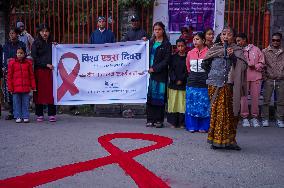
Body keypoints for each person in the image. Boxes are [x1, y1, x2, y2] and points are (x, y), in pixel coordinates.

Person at [201, 27, 247, 150]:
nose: (226, 36)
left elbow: (242, 67)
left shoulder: (237, 51)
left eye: (229, 34)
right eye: (223, 34)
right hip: (214, 84)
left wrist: (232, 57)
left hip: (230, 87)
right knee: (218, 112)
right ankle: (216, 140)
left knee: (230, 114)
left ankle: (230, 141)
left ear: (234, 37)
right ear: (220, 36)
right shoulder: (214, 49)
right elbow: (204, 64)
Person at [236, 33, 265, 127]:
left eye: (239, 40)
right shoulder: (238, 51)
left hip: (256, 77)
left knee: (255, 98)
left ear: (244, 40)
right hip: (243, 77)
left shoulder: (256, 49)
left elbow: (262, 62)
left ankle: (254, 117)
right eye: (237, 41)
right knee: (243, 98)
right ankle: (244, 118)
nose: (238, 43)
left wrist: (255, 66)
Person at [146, 22, 171, 128]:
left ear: (163, 30)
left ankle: (159, 120)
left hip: (160, 75)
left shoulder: (166, 44)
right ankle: (150, 119)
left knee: (159, 98)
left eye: (159, 29)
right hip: (149, 75)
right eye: (155, 29)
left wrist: (155, 69)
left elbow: (166, 61)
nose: (157, 31)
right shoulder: (150, 43)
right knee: (150, 97)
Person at [185, 32, 210, 133]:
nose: (195, 41)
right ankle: (192, 126)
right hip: (192, 80)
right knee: (192, 103)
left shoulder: (208, 52)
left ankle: (203, 126)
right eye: (194, 39)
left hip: (204, 80)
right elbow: (188, 67)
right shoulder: (190, 53)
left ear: (203, 41)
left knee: (204, 104)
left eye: (197, 39)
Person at [31, 23, 56, 122]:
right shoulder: (36, 43)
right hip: (39, 71)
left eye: (46, 31)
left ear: (49, 32)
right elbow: (35, 58)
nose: (44, 33)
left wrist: (57, 47)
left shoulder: (52, 43)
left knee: (51, 92)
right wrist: (45, 65)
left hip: (51, 72)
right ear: (39, 32)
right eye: (42, 31)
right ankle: (39, 114)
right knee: (39, 93)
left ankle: (52, 114)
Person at [2, 28, 26, 120]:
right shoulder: (6, 45)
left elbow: (24, 56)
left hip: (19, 72)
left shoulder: (21, 44)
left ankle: (21, 112)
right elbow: (5, 59)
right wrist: (5, 66)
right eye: (10, 33)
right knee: (10, 92)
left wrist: (13, 60)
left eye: (13, 33)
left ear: (17, 34)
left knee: (20, 92)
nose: (11, 35)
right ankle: (12, 112)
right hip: (9, 72)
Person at [7, 47, 36, 123]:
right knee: (16, 103)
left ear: (24, 54)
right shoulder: (12, 63)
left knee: (25, 103)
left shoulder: (28, 63)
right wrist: (10, 87)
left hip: (26, 87)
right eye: (18, 53)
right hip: (15, 88)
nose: (19, 54)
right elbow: (9, 76)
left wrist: (33, 86)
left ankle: (25, 116)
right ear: (16, 54)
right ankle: (18, 116)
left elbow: (31, 76)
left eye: (21, 53)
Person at [262, 32, 284, 128]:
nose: (275, 42)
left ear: (281, 41)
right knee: (266, 101)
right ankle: (265, 119)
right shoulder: (265, 51)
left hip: (281, 80)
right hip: (269, 80)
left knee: (281, 101)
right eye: (273, 40)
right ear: (271, 40)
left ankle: (279, 119)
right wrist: (265, 77)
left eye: (277, 40)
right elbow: (262, 65)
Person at [167, 38, 188, 128]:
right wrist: (175, 79)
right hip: (173, 84)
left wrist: (181, 80)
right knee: (174, 103)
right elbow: (170, 70)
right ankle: (173, 122)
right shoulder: (173, 57)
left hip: (183, 84)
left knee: (182, 104)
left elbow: (188, 70)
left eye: (182, 46)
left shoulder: (188, 56)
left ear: (185, 46)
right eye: (178, 46)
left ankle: (182, 122)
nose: (180, 48)